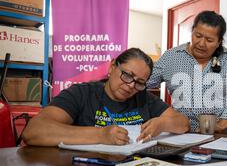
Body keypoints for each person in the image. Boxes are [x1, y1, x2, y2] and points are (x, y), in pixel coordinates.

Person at [22, 48, 190, 146]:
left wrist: (162, 123)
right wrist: (100, 135)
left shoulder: (143, 97)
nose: (131, 86)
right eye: (127, 75)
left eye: (139, 82)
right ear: (111, 67)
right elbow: (33, 131)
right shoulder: (82, 93)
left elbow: (183, 123)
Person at [147, 10, 227, 134]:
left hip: (222, 136)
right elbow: (142, 82)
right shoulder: (171, 57)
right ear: (192, 31)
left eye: (209, 40)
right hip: (182, 135)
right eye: (198, 36)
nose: (201, 43)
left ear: (219, 42)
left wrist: (220, 125)